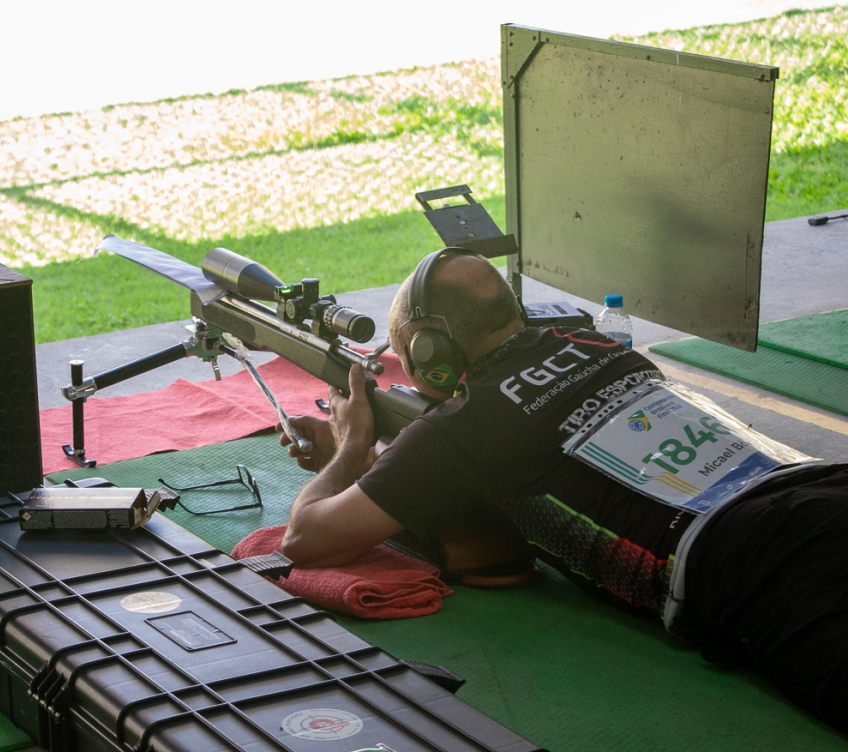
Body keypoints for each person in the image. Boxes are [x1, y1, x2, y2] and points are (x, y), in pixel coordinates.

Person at [277, 247, 848, 730]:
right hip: (822, 482)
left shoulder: (461, 429)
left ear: (431, 355)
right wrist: (380, 462)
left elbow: (307, 540)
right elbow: (504, 507)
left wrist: (352, 444)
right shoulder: (600, 346)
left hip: (756, 559)